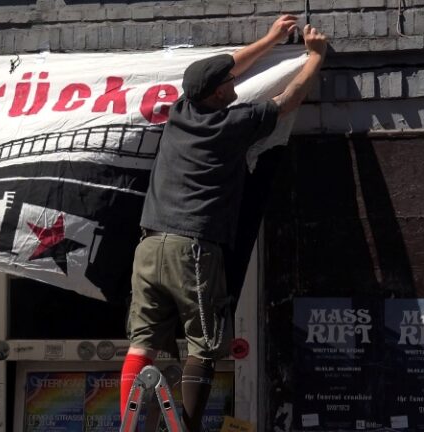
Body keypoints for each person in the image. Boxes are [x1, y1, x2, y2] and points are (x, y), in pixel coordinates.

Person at [120, 15, 328, 432]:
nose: (234, 81)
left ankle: (128, 421)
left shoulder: (179, 112)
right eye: (227, 83)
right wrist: (314, 58)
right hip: (191, 248)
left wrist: (269, 39)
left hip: (148, 246)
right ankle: (187, 427)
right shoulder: (231, 125)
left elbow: (228, 66)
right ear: (218, 93)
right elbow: (286, 100)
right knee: (205, 343)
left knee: (142, 342)